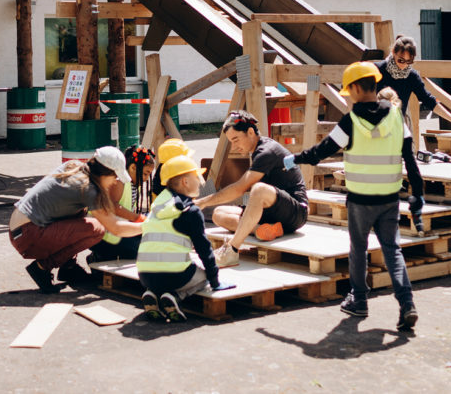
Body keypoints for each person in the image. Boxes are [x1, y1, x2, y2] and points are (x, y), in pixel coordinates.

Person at [286, 60, 424, 330]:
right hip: (389, 199)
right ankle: (407, 303)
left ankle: (359, 301)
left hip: (361, 201)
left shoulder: (350, 121)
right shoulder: (397, 117)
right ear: (375, 84)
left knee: (358, 250)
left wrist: (293, 159)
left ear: (357, 90)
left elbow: (321, 151)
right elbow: (411, 160)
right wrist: (417, 195)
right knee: (392, 251)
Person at [9, 145, 143, 293]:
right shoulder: (89, 189)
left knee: (80, 213)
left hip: (19, 230)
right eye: (115, 177)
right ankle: (41, 267)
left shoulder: (74, 167)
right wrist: (148, 226)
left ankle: (68, 267)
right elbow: (115, 227)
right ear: (105, 173)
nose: (115, 182)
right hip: (28, 235)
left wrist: (137, 219)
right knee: (97, 229)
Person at [195, 110, 309, 267]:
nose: (234, 147)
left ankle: (232, 250)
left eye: (236, 140)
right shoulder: (256, 150)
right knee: (218, 214)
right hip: (273, 213)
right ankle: (262, 229)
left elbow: (240, 188)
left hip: (295, 213)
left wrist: (203, 201)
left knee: (258, 189)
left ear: (250, 132)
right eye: (231, 142)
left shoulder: (267, 151)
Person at [137, 154, 234, 322]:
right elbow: (204, 249)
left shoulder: (156, 207)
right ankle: (175, 296)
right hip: (175, 276)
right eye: (197, 176)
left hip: (144, 275)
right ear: (185, 182)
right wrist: (215, 280)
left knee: (167, 273)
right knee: (202, 278)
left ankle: (152, 293)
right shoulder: (190, 211)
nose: (200, 180)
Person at [378, 35, 451, 129]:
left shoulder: (411, 76)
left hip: (396, 126)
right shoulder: (377, 70)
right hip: (374, 124)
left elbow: (429, 100)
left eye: (409, 62)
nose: (404, 65)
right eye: (401, 60)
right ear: (393, 52)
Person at [88, 144, 155, 263]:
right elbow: (112, 206)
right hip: (107, 232)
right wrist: (138, 218)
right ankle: (98, 258)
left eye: (149, 174)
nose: (146, 178)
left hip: (117, 230)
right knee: (138, 249)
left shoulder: (134, 184)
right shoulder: (120, 182)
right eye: (145, 173)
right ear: (133, 167)